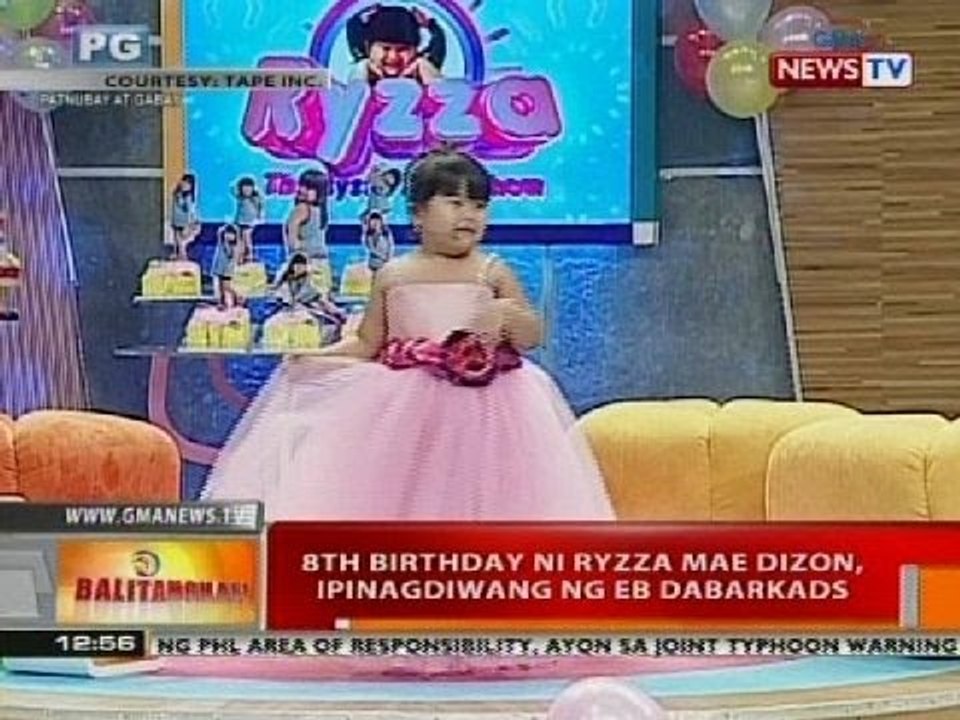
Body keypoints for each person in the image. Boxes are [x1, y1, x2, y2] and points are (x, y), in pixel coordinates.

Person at [204, 146, 613, 523]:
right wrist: (319, 358)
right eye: (454, 203)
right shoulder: (393, 275)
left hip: (491, 413)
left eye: (479, 205)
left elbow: (531, 336)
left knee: (486, 500)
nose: (469, 215)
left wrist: (506, 314)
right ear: (418, 214)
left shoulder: (491, 272)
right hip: (405, 413)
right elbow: (368, 343)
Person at [346, 4, 446, 85]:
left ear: (415, 50)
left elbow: (438, 45)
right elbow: (353, 31)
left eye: (402, 49)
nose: (393, 57)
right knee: (361, 66)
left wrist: (431, 25)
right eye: (386, 48)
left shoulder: (421, 69)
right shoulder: (365, 68)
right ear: (368, 48)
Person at [167, 173, 199, 260]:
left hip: (184, 222)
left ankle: (182, 256)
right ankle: (177, 254)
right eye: (184, 182)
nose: (185, 184)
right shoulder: (177, 193)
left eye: (188, 183)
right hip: (176, 220)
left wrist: (190, 224)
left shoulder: (188, 196)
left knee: (181, 241)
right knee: (176, 239)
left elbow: (188, 209)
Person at [233, 177, 264, 263]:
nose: (246, 190)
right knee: (240, 241)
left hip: (250, 222)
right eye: (244, 188)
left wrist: (259, 217)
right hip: (239, 222)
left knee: (247, 238)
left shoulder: (255, 198)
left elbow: (261, 207)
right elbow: (232, 189)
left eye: (249, 188)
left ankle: (250, 257)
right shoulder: (240, 198)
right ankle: (240, 258)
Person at [210, 224, 241, 308]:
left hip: (227, 269)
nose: (229, 236)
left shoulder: (235, 246)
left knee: (227, 287)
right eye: (227, 234)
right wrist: (227, 226)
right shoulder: (221, 242)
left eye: (231, 234)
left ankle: (237, 300)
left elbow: (233, 257)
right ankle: (222, 302)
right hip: (219, 267)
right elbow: (219, 231)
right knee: (220, 287)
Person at [362, 210, 394, 275]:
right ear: (370, 222)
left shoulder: (386, 232)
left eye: (377, 220)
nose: (375, 222)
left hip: (385, 262)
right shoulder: (367, 234)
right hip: (372, 262)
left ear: (381, 221)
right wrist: (383, 257)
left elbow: (391, 246)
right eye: (373, 220)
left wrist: (388, 258)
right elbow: (370, 248)